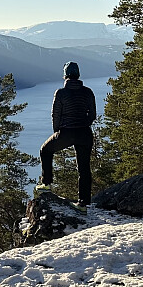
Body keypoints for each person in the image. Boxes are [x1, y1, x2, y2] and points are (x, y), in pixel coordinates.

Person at [35, 61, 96, 213]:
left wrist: (57, 131)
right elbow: (92, 115)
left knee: (45, 150)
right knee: (84, 168)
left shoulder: (61, 93)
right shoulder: (88, 92)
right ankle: (83, 204)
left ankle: (46, 183)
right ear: (78, 75)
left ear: (65, 75)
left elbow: (55, 114)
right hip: (85, 133)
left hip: (66, 132)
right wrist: (84, 124)